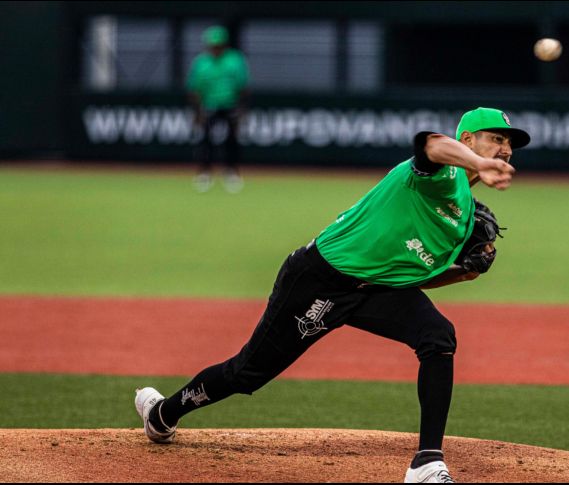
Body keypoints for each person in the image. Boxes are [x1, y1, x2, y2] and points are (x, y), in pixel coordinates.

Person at [134, 107, 530, 483]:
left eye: (510, 144)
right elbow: (428, 142)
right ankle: (163, 413)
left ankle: (427, 462)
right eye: (496, 138)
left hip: (374, 289)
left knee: (437, 336)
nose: (506, 150)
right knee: (247, 373)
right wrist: (477, 164)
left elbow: (405, 277)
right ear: (467, 139)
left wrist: (463, 274)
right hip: (319, 277)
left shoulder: (464, 218)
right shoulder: (442, 174)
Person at [187, 25, 250, 193]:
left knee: (232, 141)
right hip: (209, 105)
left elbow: (243, 86)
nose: (215, 48)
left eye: (218, 45)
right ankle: (204, 173)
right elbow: (195, 89)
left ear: (224, 45)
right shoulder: (201, 63)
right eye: (213, 45)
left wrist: (242, 109)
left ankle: (231, 172)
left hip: (230, 105)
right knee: (206, 140)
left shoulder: (235, 60)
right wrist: (197, 111)